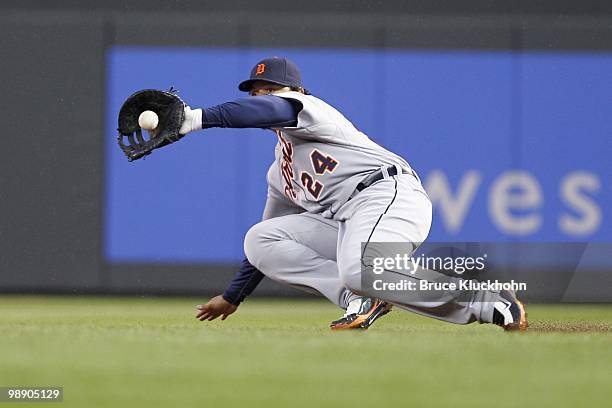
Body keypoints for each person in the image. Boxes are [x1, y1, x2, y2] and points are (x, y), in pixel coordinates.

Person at [180, 57, 527, 331]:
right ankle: (358, 300)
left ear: (295, 90)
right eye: (255, 92)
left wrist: (196, 118)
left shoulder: (312, 111)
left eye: (270, 89)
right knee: (260, 239)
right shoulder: (280, 171)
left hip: (388, 194)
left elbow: (271, 110)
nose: (261, 97)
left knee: (362, 269)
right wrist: (233, 296)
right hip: (350, 220)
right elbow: (269, 239)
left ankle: (483, 300)